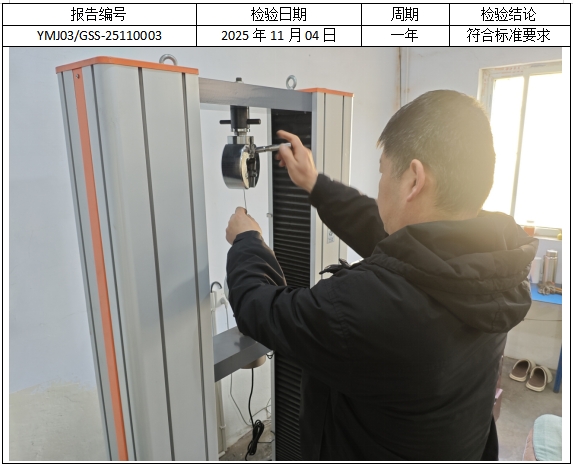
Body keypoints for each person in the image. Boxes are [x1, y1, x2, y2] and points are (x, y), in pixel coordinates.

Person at [225, 90, 538, 460]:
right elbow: (392, 236)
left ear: (414, 180)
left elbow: (259, 308)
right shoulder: (495, 261)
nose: (379, 185)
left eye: (383, 172)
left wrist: (246, 240)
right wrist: (315, 184)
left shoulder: (366, 307)